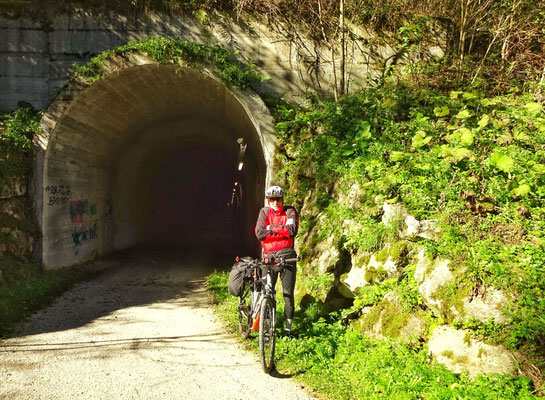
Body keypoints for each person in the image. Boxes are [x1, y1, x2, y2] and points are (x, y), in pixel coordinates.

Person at [254, 185, 299, 335]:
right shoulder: (264, 212)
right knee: (267, 292)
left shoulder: (290, 211)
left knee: (287, 294)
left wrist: (272, 227)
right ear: (268, 201)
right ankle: (267, 326)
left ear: (282, 200)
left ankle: (288, 329)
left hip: (288, 258)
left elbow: (292, 231)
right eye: (272, 200)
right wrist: (282, 231)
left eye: (278, 199)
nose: (275, 202)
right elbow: (260, 233)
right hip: (269, 258)